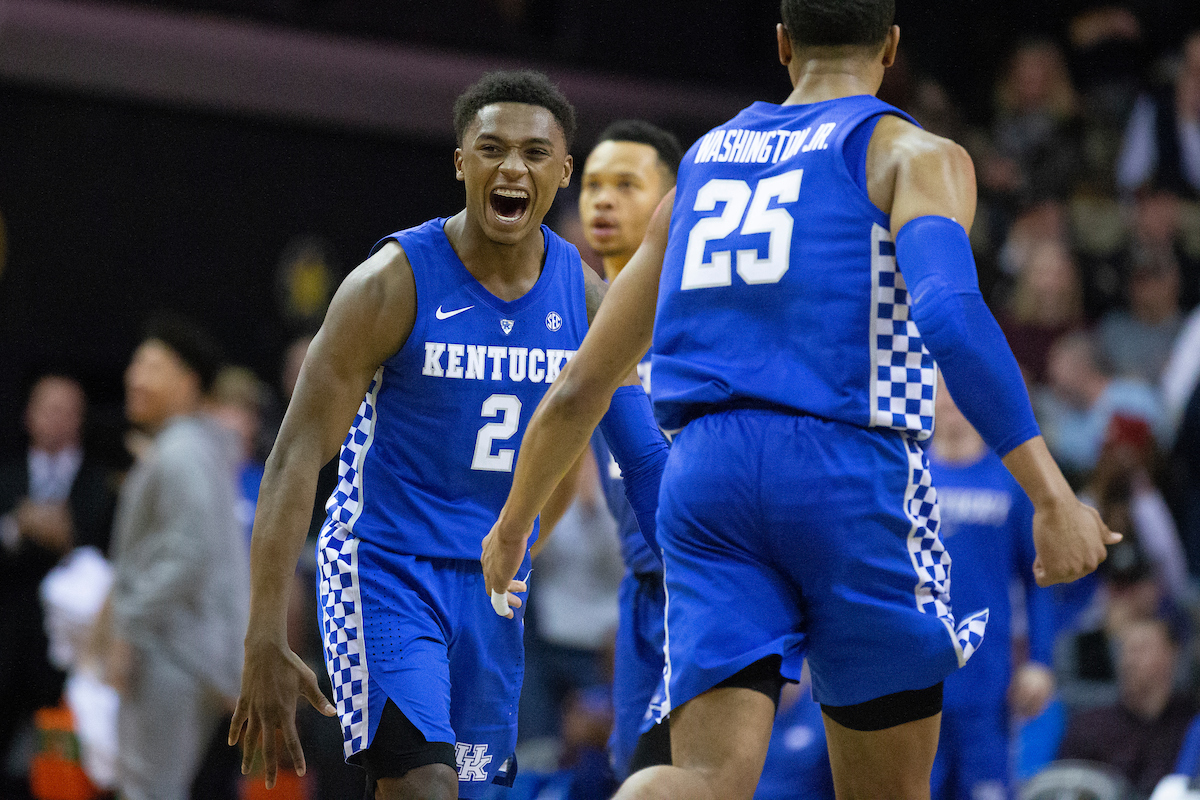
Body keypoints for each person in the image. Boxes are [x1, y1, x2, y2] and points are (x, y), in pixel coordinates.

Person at [481, 3, 1120, 799]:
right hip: (846, 471)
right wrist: (1052, 496)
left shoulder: (703, 167)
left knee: (703, 779)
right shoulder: (910, 152)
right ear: (891, 47)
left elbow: (584, 379)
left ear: (782, 45)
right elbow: (952, 318)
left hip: (705, 478)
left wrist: (511, 526)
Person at [229, 70, 667, 800]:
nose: (511, 168)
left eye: (534, 153)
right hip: (385, 564)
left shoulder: (586, 296)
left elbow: (644, 459)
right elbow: (295, 458)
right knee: (425, 782)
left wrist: (707, 582)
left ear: (562, 172)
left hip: (493, 581)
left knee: (468, 792)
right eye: (491, 148)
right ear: (461, 163)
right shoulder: (390, 283)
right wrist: (263, 634)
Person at [103, 316, 249, 800]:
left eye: (151, 366)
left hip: (172, 653)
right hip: (193, 653)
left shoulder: (181, 453)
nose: (134, 377)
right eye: (134, 364)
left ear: (188, 383)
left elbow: (188, 556)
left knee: (147, 791)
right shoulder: (194, 449)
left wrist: (127, 627)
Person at [576, 118, 682, 779]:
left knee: (667, 775)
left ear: (673, 198)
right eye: (590, 186)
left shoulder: (696, 314)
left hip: (702, 591)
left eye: (625, 184)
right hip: (636, 596)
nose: (602, 201)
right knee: (629, 772)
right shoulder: (579, 316)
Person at [926, 382, 1057, 800]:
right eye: (941, 390)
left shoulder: (1011, 482)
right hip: (912, 681)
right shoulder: (902, 478)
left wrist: (1040, 661)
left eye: (959, 389)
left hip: (987, 685)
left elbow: (1041, 578)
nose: (950, 400)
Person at [0, 374, 116, 799]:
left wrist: (66, 538)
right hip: (10, 635)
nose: (58, 420)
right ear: (29, 416)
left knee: (63, 751)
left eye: (69, 411)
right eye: (49, 409)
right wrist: (18, 526)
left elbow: (108, 556)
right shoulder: (7, 476)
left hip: (72, 646)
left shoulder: (102, 483)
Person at [1057, 616, 1197, 797]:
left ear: (1171, 654)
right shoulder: (1088, 726)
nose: (1129, 660)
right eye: (1125, 650)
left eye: (1142, 649)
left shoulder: (1190, 722)